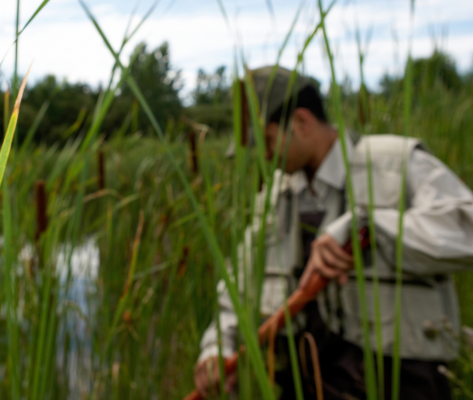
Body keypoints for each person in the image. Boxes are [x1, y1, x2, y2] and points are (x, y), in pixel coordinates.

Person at [193, 65, 473, 399]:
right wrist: (217, 346)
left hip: (401, 383)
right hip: (307, 385)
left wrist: (369, 225)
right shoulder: (275, 198)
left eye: (267, 141)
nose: (265, 157)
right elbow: (240, 284)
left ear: (301, 122)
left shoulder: (395, 164)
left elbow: (466, 228)